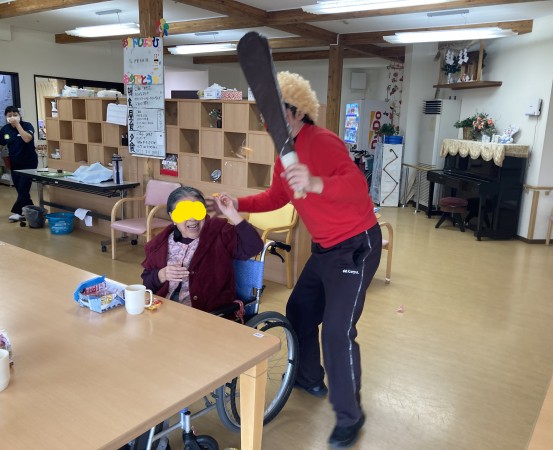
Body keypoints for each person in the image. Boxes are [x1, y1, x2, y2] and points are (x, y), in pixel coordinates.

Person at [208, 71, 382, 448]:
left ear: (297, 111)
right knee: (299, 311)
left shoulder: (322, 141)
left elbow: (356, 185)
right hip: (325, 249)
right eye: (263, 113)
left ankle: (350, 416)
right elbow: (276, 196)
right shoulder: (284, 153)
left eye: (273, 112)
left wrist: (316, 182)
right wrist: (237, 203)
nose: (265, 120)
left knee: (337, 331)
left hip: (356, 245)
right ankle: (308, 377)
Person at [141, 186, 263, 313]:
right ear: (173, 217)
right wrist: (161, 275)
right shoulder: (160, 242)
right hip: (163, 309)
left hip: (206, 314)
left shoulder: (220, 233)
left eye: (197, 211)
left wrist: (232, 213)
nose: (192, 219)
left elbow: (254, 246)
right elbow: (147, 284)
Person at [0, 106, 38, 222]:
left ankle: (18, 212)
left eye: (15, 115)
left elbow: (27, 139)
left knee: (23, 188)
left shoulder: (27, 126)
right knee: (21, 190)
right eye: (9, 115)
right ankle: (31, 211)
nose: (12, 117)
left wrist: (17, 125)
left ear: (19, 115)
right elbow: (1, 144)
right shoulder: (5, 129)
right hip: (15, 163)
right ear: (6, 117)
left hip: (29, 163)